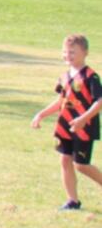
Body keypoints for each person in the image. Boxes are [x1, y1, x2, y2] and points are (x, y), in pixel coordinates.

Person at [31, 33, 102, 210]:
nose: (67, 55)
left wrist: (83, 118)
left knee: (81, 165)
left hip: (83, 128)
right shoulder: (64, 77)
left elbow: (99, 101)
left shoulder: (91, 77)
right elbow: (61, 101)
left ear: (85, 53)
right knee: (64, 160)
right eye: (65, 52)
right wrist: (41, 114)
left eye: (72, 52)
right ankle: (72, 201)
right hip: (65, 126)